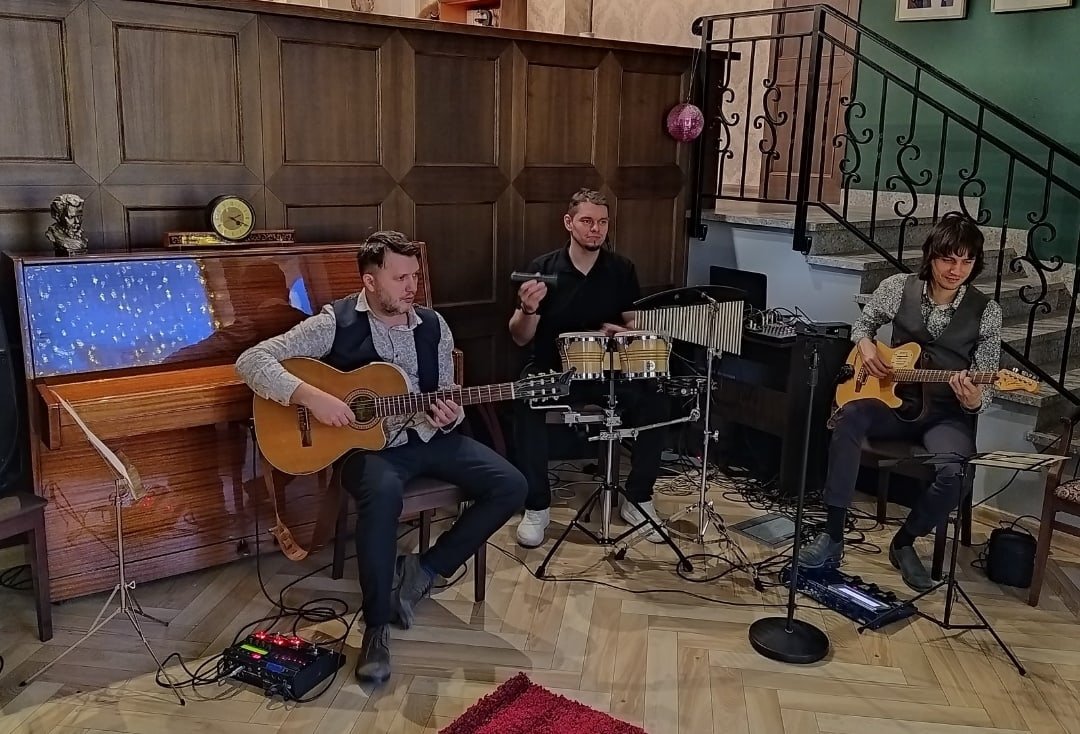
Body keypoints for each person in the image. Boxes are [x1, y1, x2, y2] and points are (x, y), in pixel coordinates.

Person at [235, 231, 526, 685]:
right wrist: (312, 397)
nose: (412, 287)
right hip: (366, 450)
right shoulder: (334, 322)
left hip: (427, 437)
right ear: (370, 281)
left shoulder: (434, 325)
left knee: (512, 485)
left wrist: (450, 414)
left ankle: (424, 569)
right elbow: (252, 361)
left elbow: (445, 390)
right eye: (400, 278)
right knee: (383, 494)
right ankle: (375, 627)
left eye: (415, 276)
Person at [798, 212, 1002, 592]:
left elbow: (985, 385)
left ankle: (905, 542)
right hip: (893, 402)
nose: (956, 270)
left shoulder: (987, 312)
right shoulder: (897, 287)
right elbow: (865, 325)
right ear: (931, 256)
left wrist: (974, 398)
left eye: (966, 261)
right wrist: (865, 345)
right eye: (948, 259)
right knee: (847, 416)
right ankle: (833, 534)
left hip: (944, 414)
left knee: (958, 471)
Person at [508, 188, 670, 548]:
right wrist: (528, 309)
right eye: (587, 221)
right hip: (554, 370)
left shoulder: (621, 269)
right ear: (569, 223)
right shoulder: (543, 268)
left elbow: (634, 322)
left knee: (656, 399)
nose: (595, 229)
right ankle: (537, 506)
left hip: (610, 370)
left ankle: (638, 499)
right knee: (525, 398)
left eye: (602, 222)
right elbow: (519, 337)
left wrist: (625, 331)